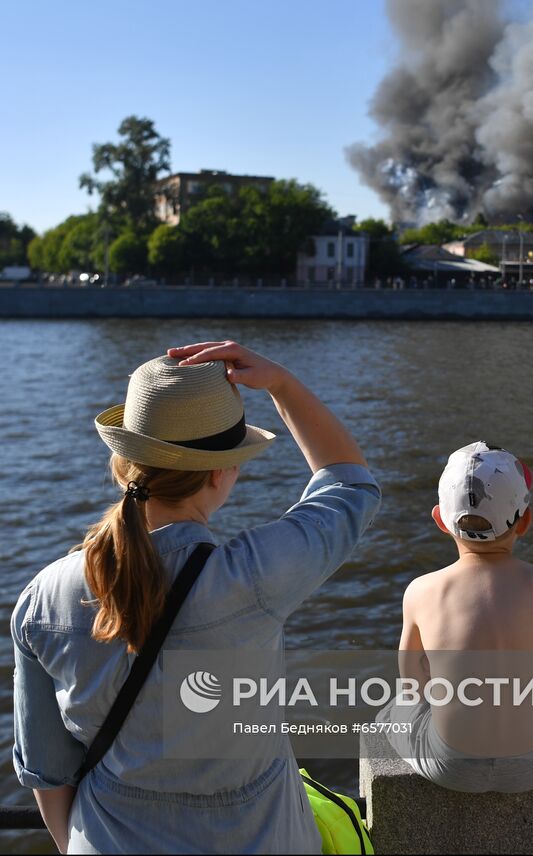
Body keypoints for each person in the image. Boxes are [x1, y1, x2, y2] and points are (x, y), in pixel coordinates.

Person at [11, 340, 381, 854]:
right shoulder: (253, 578)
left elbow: (47, 772)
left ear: (123, 462)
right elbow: (350, 486)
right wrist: (283, 385)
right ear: (219, 472)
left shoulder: (41, 599)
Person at [380, 441, 533, 793]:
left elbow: (413, 684)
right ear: (525, 520)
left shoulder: (422, 590)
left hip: (450, 766)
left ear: (440, 520)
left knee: (390, 711)